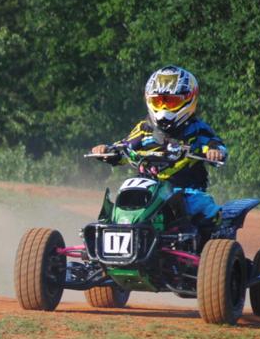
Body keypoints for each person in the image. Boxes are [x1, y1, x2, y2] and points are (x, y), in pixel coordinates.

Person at [91, 65, 227, 226]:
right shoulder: (143, 129)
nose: (163, 108)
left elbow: (215, 145)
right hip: (148, 190)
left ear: (189, 99)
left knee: (206, 208)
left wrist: (214, 152)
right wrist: (107, 151)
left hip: (184, 190)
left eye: (170, 102)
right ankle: (108, 233)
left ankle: (206, 242)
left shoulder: (197, 129)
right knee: (122, 197)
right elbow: (124, 147)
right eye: (159, 101)